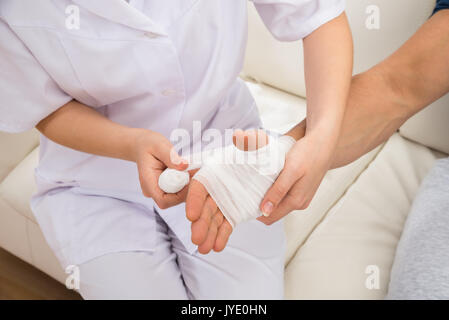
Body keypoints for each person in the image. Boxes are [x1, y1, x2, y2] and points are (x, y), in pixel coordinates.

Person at [0, 0, 352, 299]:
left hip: (226, 151)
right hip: (94, 178)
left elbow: (318, 16)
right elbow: (45, 106)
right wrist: (132, 143)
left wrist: (320, 139)